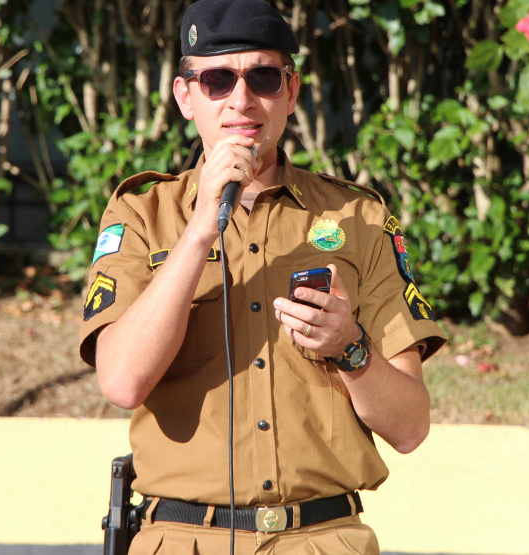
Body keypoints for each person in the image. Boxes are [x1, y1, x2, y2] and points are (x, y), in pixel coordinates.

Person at [80, 0, 447, 552]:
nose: (242, 100)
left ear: (291, 91)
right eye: (218, 80)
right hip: (184, 540)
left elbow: (411, 426)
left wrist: (349, 345)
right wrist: (200, 231)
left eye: (264, 77)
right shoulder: (142, 214)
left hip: (322, 540)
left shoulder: (358, 217)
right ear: (185, 96)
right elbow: (121, 382)